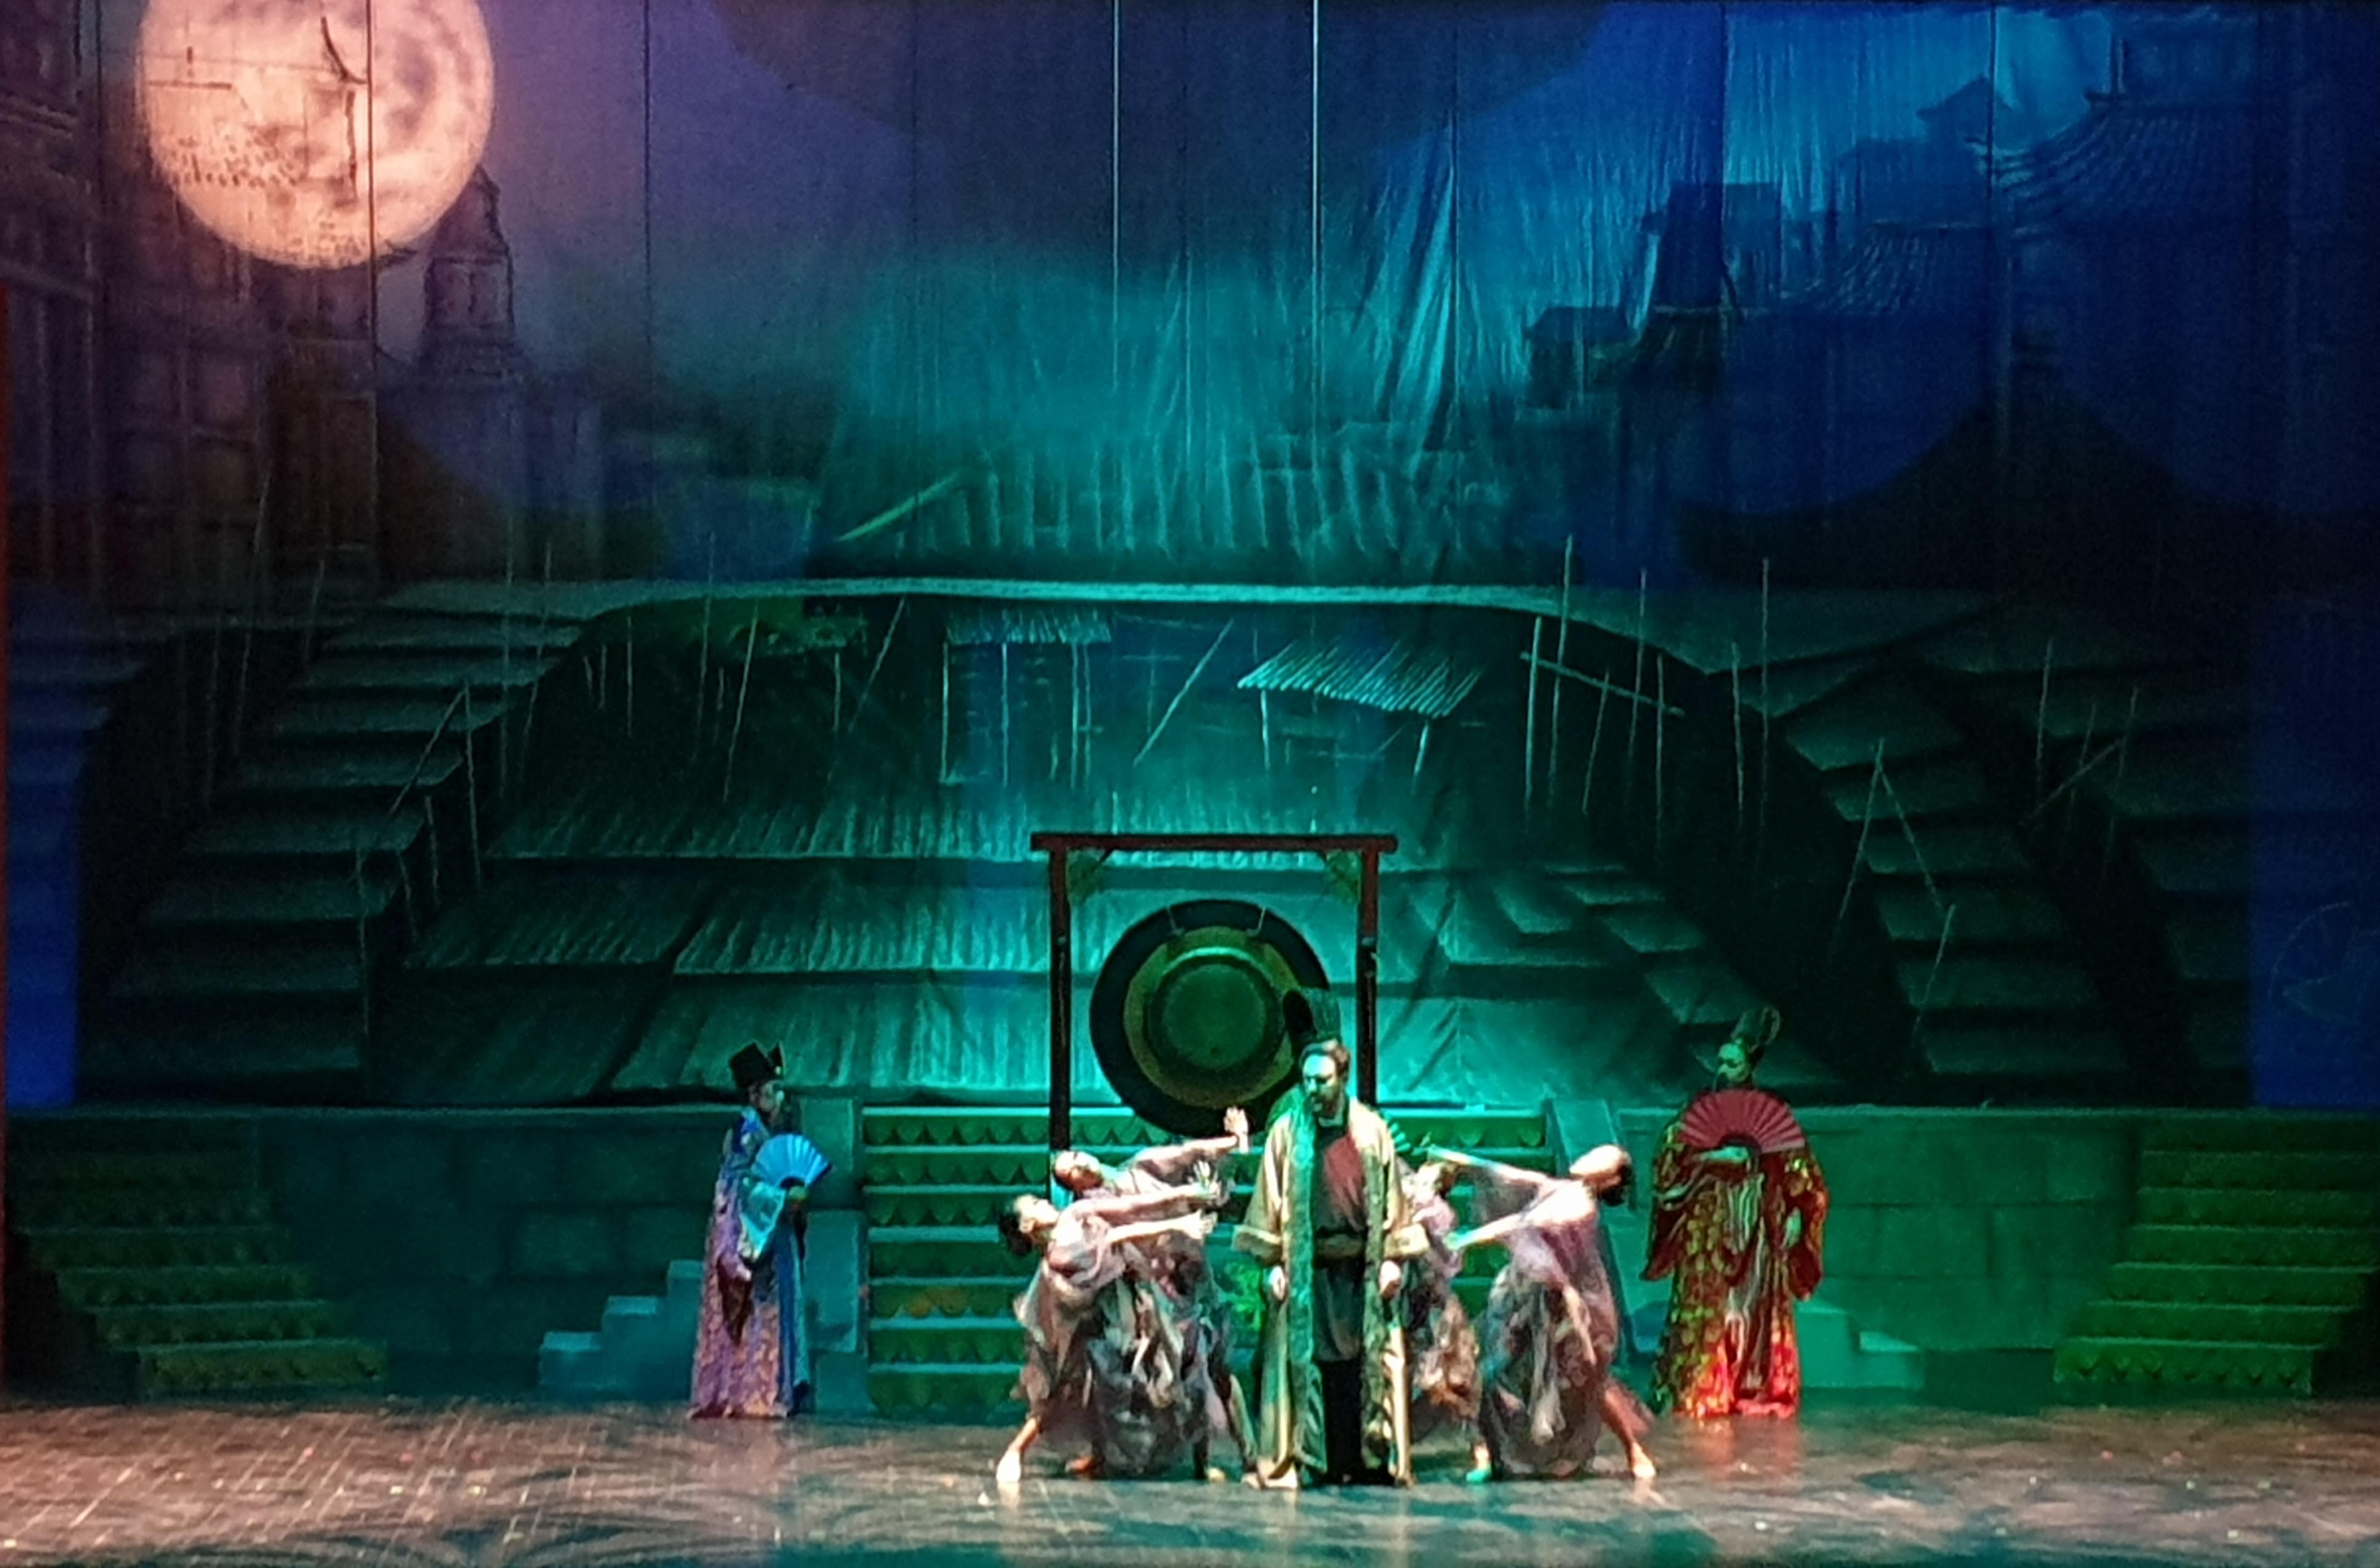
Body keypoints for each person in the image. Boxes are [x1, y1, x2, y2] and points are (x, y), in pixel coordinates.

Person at [1235, 992, 1426, 1488]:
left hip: (1361, 1269)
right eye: (1307, 1081)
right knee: (1310, 1361)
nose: (1313, 1089)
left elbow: (1392, 1199)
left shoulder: (1371, 1132)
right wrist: (1272, 1264)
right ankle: (1311, 1458)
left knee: (1362, 1363)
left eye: (1322, 1081)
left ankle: (1365, 1459)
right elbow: (1270, 1198)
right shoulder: (1287, 1131)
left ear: (1342, 1078)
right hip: (1308, 1269)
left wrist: (1393, 1259)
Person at [1644, 1007, 1830, 1419]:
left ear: (1749, 1065)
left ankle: (1753, 1383)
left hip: (1759, 1219)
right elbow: (1671, 1160)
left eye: (1732, 1063)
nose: (1723, 1070)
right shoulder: (1699, 1108)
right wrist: (1713, 1157)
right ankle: (1704, 1385)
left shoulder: (1770, 1110)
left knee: (1753, 1302)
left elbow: (1798, 1169)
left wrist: (1799, 1212)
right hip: (1708, 1221)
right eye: (1722, 1062)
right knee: (1708, 1300)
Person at [1053, 1108, 1257, 1479]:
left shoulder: (1140, 1168)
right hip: (1151, 1290)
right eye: (1072, 1174)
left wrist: (1233, 1142)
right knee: (1165, 1374)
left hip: (1188, 1275)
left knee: (1214, 1367)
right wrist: (1186, 1206)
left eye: (1078, 1159)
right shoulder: (1092, 1210)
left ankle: (1249, 1455)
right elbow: (1135, 1214)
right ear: (1074, 1186)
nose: (1081, 1168)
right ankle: (1178, 1459)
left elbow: (1187, 1153)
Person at [1440, 1145, 1657, 1483]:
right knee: (1493, 1372)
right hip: (1528, 1293)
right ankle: (1484, 1451)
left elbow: (1520, 1225)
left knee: (1590, 1381)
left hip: (1572, 1302)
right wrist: (1467, 1162)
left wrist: (1467, 1239)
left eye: (1602, 1157)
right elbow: (1516, 1177)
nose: (1588, 1156)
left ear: (1611, 1179)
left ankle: (1633, 1448)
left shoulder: (1581, 1209)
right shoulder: (1563, 1189)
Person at [993, 1177, 1225, 1485]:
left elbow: (1127, 1206)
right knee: (1072, 1387)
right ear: (1028, 1225)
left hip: (1128, 1302)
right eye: (1035, 1204)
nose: (1045, 1202)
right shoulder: (1060, 1256)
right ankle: (1017, 1450)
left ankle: (1200, 1461)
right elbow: (1117, 1236)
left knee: (1177, 1365)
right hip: (1090, 1319)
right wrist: (1178, 1224)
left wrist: (1181, 1194)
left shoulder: (1074, 1214)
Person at [691, 1043, 826, 1418]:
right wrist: (780, 1199)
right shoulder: (745, 1131)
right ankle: (750, 1390)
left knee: (781, 1308)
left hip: (777, 1231)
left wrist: (795, 1199)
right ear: (754, 1094)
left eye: (779, 1090)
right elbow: (735, 1184)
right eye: (771, 1090)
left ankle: (778, 1389)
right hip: (750, 1236)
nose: (778, 1098)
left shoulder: (775, 1129)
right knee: (754, 1310)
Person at [1400, 1158, 1487, 1478]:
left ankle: (1482, 1449)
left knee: (1446, 1383)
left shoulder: (1437, 1213)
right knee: (1415, 1381)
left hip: (1438, 1312)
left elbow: (1443, 1260)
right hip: (1415, 1307)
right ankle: (1399, 1447)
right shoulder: (1416, 1203)